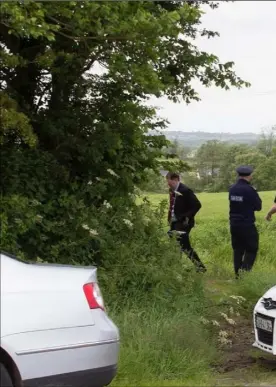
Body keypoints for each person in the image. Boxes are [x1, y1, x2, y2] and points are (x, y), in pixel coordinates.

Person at [166, 172, 206, 273]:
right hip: (174, 222)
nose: (167, 183)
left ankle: (200, 267)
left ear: (175, 180)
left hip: (184, 223)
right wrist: (169, 218)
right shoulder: (172, 190)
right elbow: (172, 205)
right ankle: (176, 269)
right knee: (174, 245)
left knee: (184, 246)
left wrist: (186, 217)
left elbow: (197, 205)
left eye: (169, 181)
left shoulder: (185, 190)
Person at [229, 166, 262, 278]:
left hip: (234, 224)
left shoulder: (232, 188)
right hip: (247, 224)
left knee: (237, 249)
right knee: (252, 248)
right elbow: (258, 206)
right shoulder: (250, 190)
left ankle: (237, 275)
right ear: (249, 175)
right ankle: (244, 273)